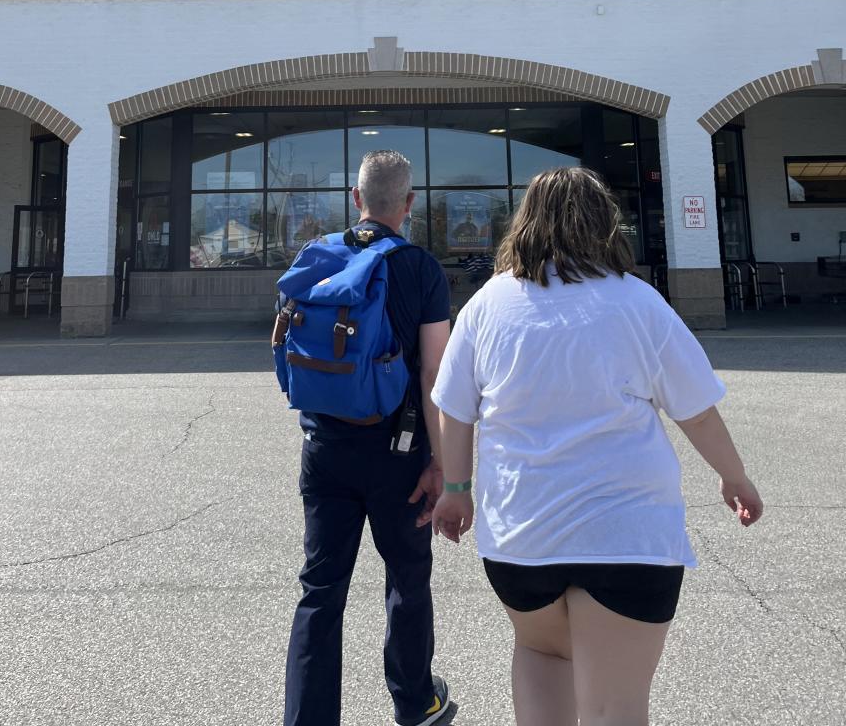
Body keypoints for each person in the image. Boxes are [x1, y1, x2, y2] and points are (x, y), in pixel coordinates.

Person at [430, 166, 763, 726]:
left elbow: (455, 409)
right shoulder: (637, 302)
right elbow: (697, 410)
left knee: (541, 653)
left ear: (525, 222)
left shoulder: (488, 304)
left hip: (521, 536)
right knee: (615, 708)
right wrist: (734, 476)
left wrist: (457, 490)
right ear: (604, 222)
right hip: (626, 535)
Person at [283, 150, 453, 726]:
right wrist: (442, 465)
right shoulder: (420, 268)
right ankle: (415, 701)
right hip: (397, 454)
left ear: (355, 199)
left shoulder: (318, 256)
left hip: (324, 447)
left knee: (320, 588)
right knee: (407, 575)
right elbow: (434, 373)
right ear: (409, 203)